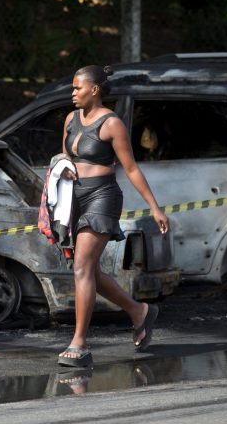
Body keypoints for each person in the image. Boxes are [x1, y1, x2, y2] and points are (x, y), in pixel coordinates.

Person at [57, 65, 169, 368]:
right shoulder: (70, 119)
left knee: (82, 267)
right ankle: (139, 312)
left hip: (102, 197)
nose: (73, 93)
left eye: (77, 88)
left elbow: (130, 168)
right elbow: (65, 158)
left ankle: (79, 343)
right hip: (73, 199)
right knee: (88, 271)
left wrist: (154, 207)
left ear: (94, 89)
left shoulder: (112, 124)